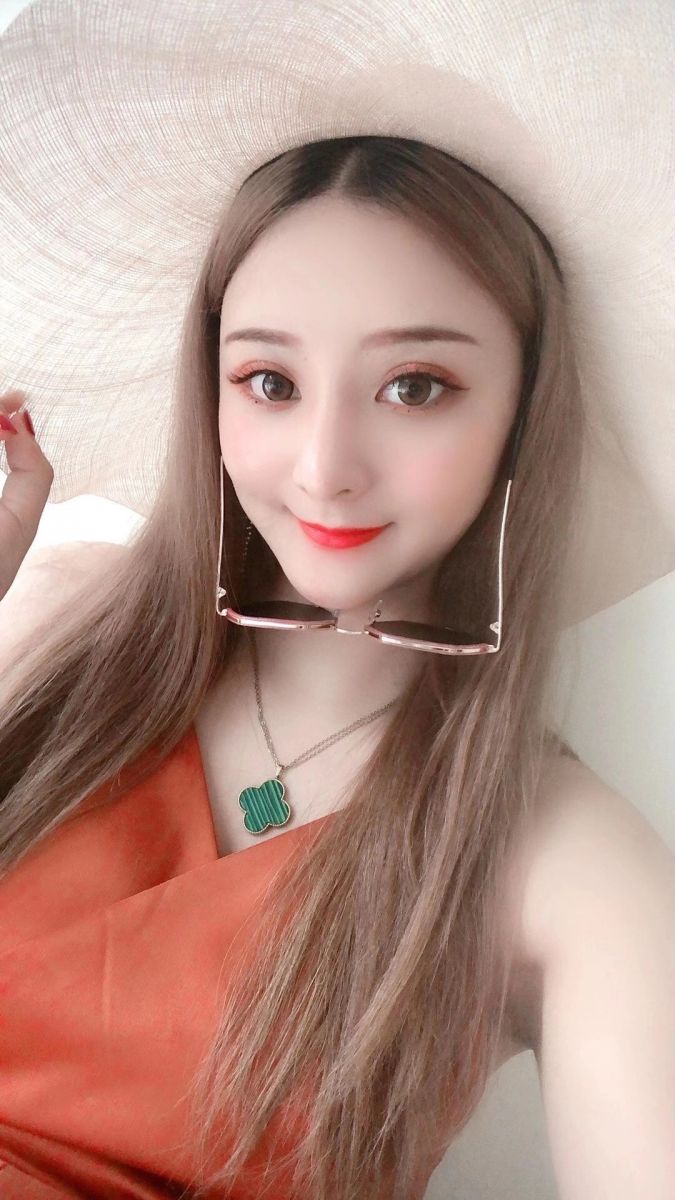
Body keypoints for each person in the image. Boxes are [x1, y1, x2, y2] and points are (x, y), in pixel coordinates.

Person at [0, 4, 673, 1199]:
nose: (324, 468)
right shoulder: (59, 611)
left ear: (524, 415)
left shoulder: (563, 862)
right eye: (269, 380)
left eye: (415, 386)